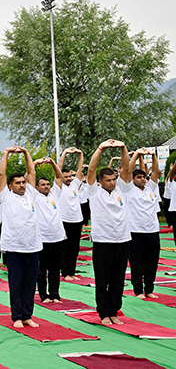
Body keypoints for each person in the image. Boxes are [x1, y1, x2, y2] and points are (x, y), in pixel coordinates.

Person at [87, 139, 130, 325]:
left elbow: (126, 168)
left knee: (118, 279)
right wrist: (101, 148)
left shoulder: (122, 189)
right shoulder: (94, 192)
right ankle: (103, 313)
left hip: (122, 240)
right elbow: (91, 169)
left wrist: (123, 148)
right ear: (100, 182)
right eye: (108, 180)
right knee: (102, 279)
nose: (112, 183)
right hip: (103, 241)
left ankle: (114, 310)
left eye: (113, 179)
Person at [0, 146, 42, 328]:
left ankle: (27, 315)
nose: (22, 185)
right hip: (14, 247)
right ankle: (16, 316)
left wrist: (25, 153)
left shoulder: (30, 193)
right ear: (10, 185)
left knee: (30, 285)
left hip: (33, 247)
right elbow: (1, 174)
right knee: (16, 284)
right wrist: (7, 153)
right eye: (17, 183)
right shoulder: (5, 196)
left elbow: (32, 171)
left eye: (23, 182)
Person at [123, 148, 161, 299]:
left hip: (152, 230)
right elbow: (127, 169)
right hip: (135, 231)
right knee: (137, 263)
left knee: (152, 262)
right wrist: (137, 155)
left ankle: (149, 289)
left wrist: (153, 155)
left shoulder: (151, 187)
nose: (142, 179)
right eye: (139, 177)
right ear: (133, 179)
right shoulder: (128, 189)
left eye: (144, 177)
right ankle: (138, 290)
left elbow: (156, 172)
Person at [32, 158, 66, 303]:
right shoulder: (34, 196)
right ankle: (43, 295)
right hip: (42, 238)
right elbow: (30, 175)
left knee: (55, 269)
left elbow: (59, 177)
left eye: (47, 184)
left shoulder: (55, 194)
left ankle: (55, 294)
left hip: (57, 237)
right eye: (43, 185)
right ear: (37, 187)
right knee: (41, 270)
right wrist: (35, 164)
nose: (46, 187)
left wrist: (53, 163)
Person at [57, 148, 85, 280]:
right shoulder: (58, 187)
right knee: (64, 248)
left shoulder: (75, 185)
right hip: (64, 220)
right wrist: (65, 154)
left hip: (77, 220)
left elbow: (80, 170)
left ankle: (72, 273)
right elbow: (59, 167)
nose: (68, 179)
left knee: (74, 248)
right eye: (65, 177)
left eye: (69, 176)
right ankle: (65, 272)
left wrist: (80, 154)